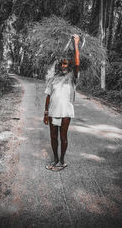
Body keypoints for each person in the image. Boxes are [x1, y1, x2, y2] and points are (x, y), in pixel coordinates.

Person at [43, 34, 80, 171]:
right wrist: (46, 113)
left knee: (63, 137)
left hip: (65, 112)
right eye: (62, 63)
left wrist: (76, 43)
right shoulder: (53, 78)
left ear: (69, 65)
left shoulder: (72, 78)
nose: (64, 65)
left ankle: (62, 161)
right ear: (59, 64)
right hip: (52, 111)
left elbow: (77, 63)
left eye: (66, 63)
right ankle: (56, 159)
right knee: (53, 136)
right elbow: (48, 96)